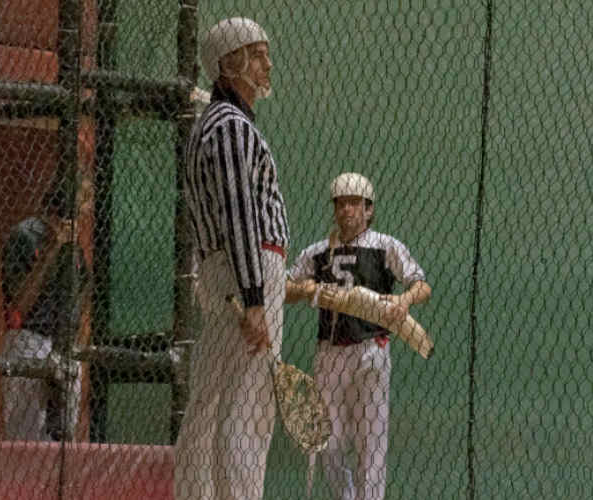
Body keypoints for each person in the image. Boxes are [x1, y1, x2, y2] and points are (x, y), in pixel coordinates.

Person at [175, 16, 289, 500]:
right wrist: (255, 297)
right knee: (249, 406)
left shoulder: (213, 125)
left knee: (211, 402)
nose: (267, 63)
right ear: (231, 62)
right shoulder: (231, 127)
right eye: (258, 53)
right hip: (251, 268)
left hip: (229, 272)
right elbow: (241, 213)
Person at [287, 173, 432, 500]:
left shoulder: (385, 247)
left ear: (369, 209)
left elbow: (422, 285)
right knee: (329, 440)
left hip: (372, 351)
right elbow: (285, 288)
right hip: (330, 354)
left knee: (372, 441)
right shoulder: (317, 252)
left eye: (354, 203)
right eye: (340, 203)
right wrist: (307, 289)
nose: (347, 210)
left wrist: (403, 300)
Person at [1, 172, 92, 441]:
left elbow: (85, 286)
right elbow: (19, 303)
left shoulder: (75, 244)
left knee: (63, 434)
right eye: (85, 198)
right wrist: (54, 248)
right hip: (30, 338)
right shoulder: (26, 234)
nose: (88, 209)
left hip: (64, 342)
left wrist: (76, 331)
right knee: (25, 434)